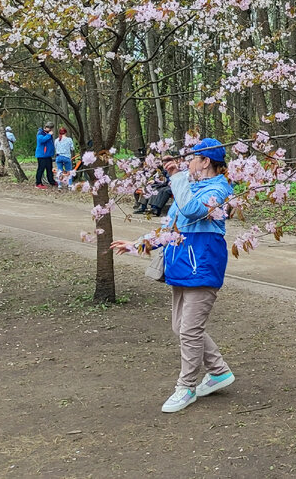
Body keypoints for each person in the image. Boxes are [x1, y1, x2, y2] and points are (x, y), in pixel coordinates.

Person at [110, 138, 235, 413]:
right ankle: (218, 372)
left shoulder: (218, 189)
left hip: (202, 266)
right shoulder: (188, 188)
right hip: (181, 265)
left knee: (189, 330)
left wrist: (177, 177)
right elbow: (170, 227)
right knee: (181, 328)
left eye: (192, 157)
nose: (186, 162)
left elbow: (192, 210)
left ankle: (186, 387)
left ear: (205, 161)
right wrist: (136, 244)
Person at [35, 123, 57, 188]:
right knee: (41, 169)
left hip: (48, 155)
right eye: (50, 128)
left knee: (49, 169)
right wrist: (49, 135)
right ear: (46, 127)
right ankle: (38, 183)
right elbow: (41, 140)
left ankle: (51, 181)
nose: (51, 130)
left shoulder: (48, 134)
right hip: (42, 155)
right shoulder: (40, 133)